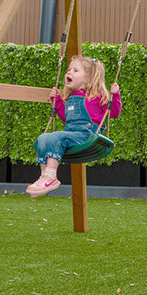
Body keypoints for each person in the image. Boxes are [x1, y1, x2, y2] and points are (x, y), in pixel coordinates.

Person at [28, 55, 121, 197]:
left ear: (88, 78)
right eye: (69, 69)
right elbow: (65, 117)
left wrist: (116, 96)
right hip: (71, 135)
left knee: (56, 136)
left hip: (87, 135)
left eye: (75, 70)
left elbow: (113, 113)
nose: (69, 72)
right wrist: (57, 100)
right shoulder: (70, 97)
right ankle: (44, 177)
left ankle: (51, 177)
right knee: (43, 138)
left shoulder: (97, 96)